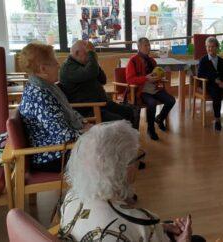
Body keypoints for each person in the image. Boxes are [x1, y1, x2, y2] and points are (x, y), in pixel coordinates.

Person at [60, 121, 205, 242]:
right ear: (125, 168)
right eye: (136, 158)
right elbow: (132, 226)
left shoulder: (70, 197)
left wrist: (160, 227)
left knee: (169, 225)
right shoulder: (141, 222)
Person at [19, 43, 92, 172]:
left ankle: (113, 190)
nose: (58, 65)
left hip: (57, 148)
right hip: (51, 156)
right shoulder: (40, 95)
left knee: (109, 141)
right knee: (108, 149)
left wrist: (84, 123)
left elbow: (66, 114)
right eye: (54, 63)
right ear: (43, 69)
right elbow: (63, 136)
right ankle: (111, 191)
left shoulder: (44, 86)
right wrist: (90, 132)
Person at [60, 40, 134, 123]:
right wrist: (91, 55)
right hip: (88, 109)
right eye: (87, 53)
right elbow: (91, 72)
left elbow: (103, 80)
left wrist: (93, 59)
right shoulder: (68, 67)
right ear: (77, 53)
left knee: (130, 112)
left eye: (91, 54)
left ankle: (135, 135)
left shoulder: (84, 64)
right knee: (121, 121)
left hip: (101, 104)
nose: (90, 56)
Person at [126, 37, 176, 141]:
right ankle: (151, 129)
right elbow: (130, 79)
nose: (148, 47)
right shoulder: (133, 61)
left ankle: (159, 118)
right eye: (146, 45)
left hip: (155, 88)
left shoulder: (152, 60)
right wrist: (145, 78)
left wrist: (158, 78)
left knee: (171, 100)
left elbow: (156, 75)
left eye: (149, 45)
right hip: (142, 91)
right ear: (139, 47)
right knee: (152, 103)